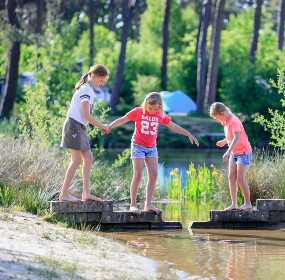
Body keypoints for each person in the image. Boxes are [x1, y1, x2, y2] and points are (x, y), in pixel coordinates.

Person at [106, 92, 199, 214]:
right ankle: (133, 205)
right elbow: (122, 119)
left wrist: (189, 134)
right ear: (146, 104)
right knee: (138, 174)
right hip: (137, 146)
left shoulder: (160, 114)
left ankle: (148, 204)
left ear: (160, 107)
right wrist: (109, 126)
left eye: (155, 108)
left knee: (154, 175)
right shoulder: (138, 111)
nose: (152, 111)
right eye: (150, 108)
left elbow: (173, 126)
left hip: (151, 148)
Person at [59, 64, 110, 203]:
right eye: (101, 80)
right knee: (76, 161)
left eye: (104, 81)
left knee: (88, 159)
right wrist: (102, 126)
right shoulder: (86, 89)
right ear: (94, 76)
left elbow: (85, 117)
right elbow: (86, 115)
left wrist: (101, 126)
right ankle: (64, 194)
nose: (102, 84)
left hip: (79, 127)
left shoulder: (89, 90)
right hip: (74, 126)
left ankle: (86, 193)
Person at [209, 102, 252, 211]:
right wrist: (224, 141)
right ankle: (234, 204)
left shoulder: (234, 121)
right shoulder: (226, 122)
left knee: (240, 178)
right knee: (231, 177)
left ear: (222, 113)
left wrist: (228, 151)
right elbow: (231, 136)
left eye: (217, 118)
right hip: (234, 153)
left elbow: (237, 137)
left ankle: (248, 203)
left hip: (243, 152)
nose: (218, 121)